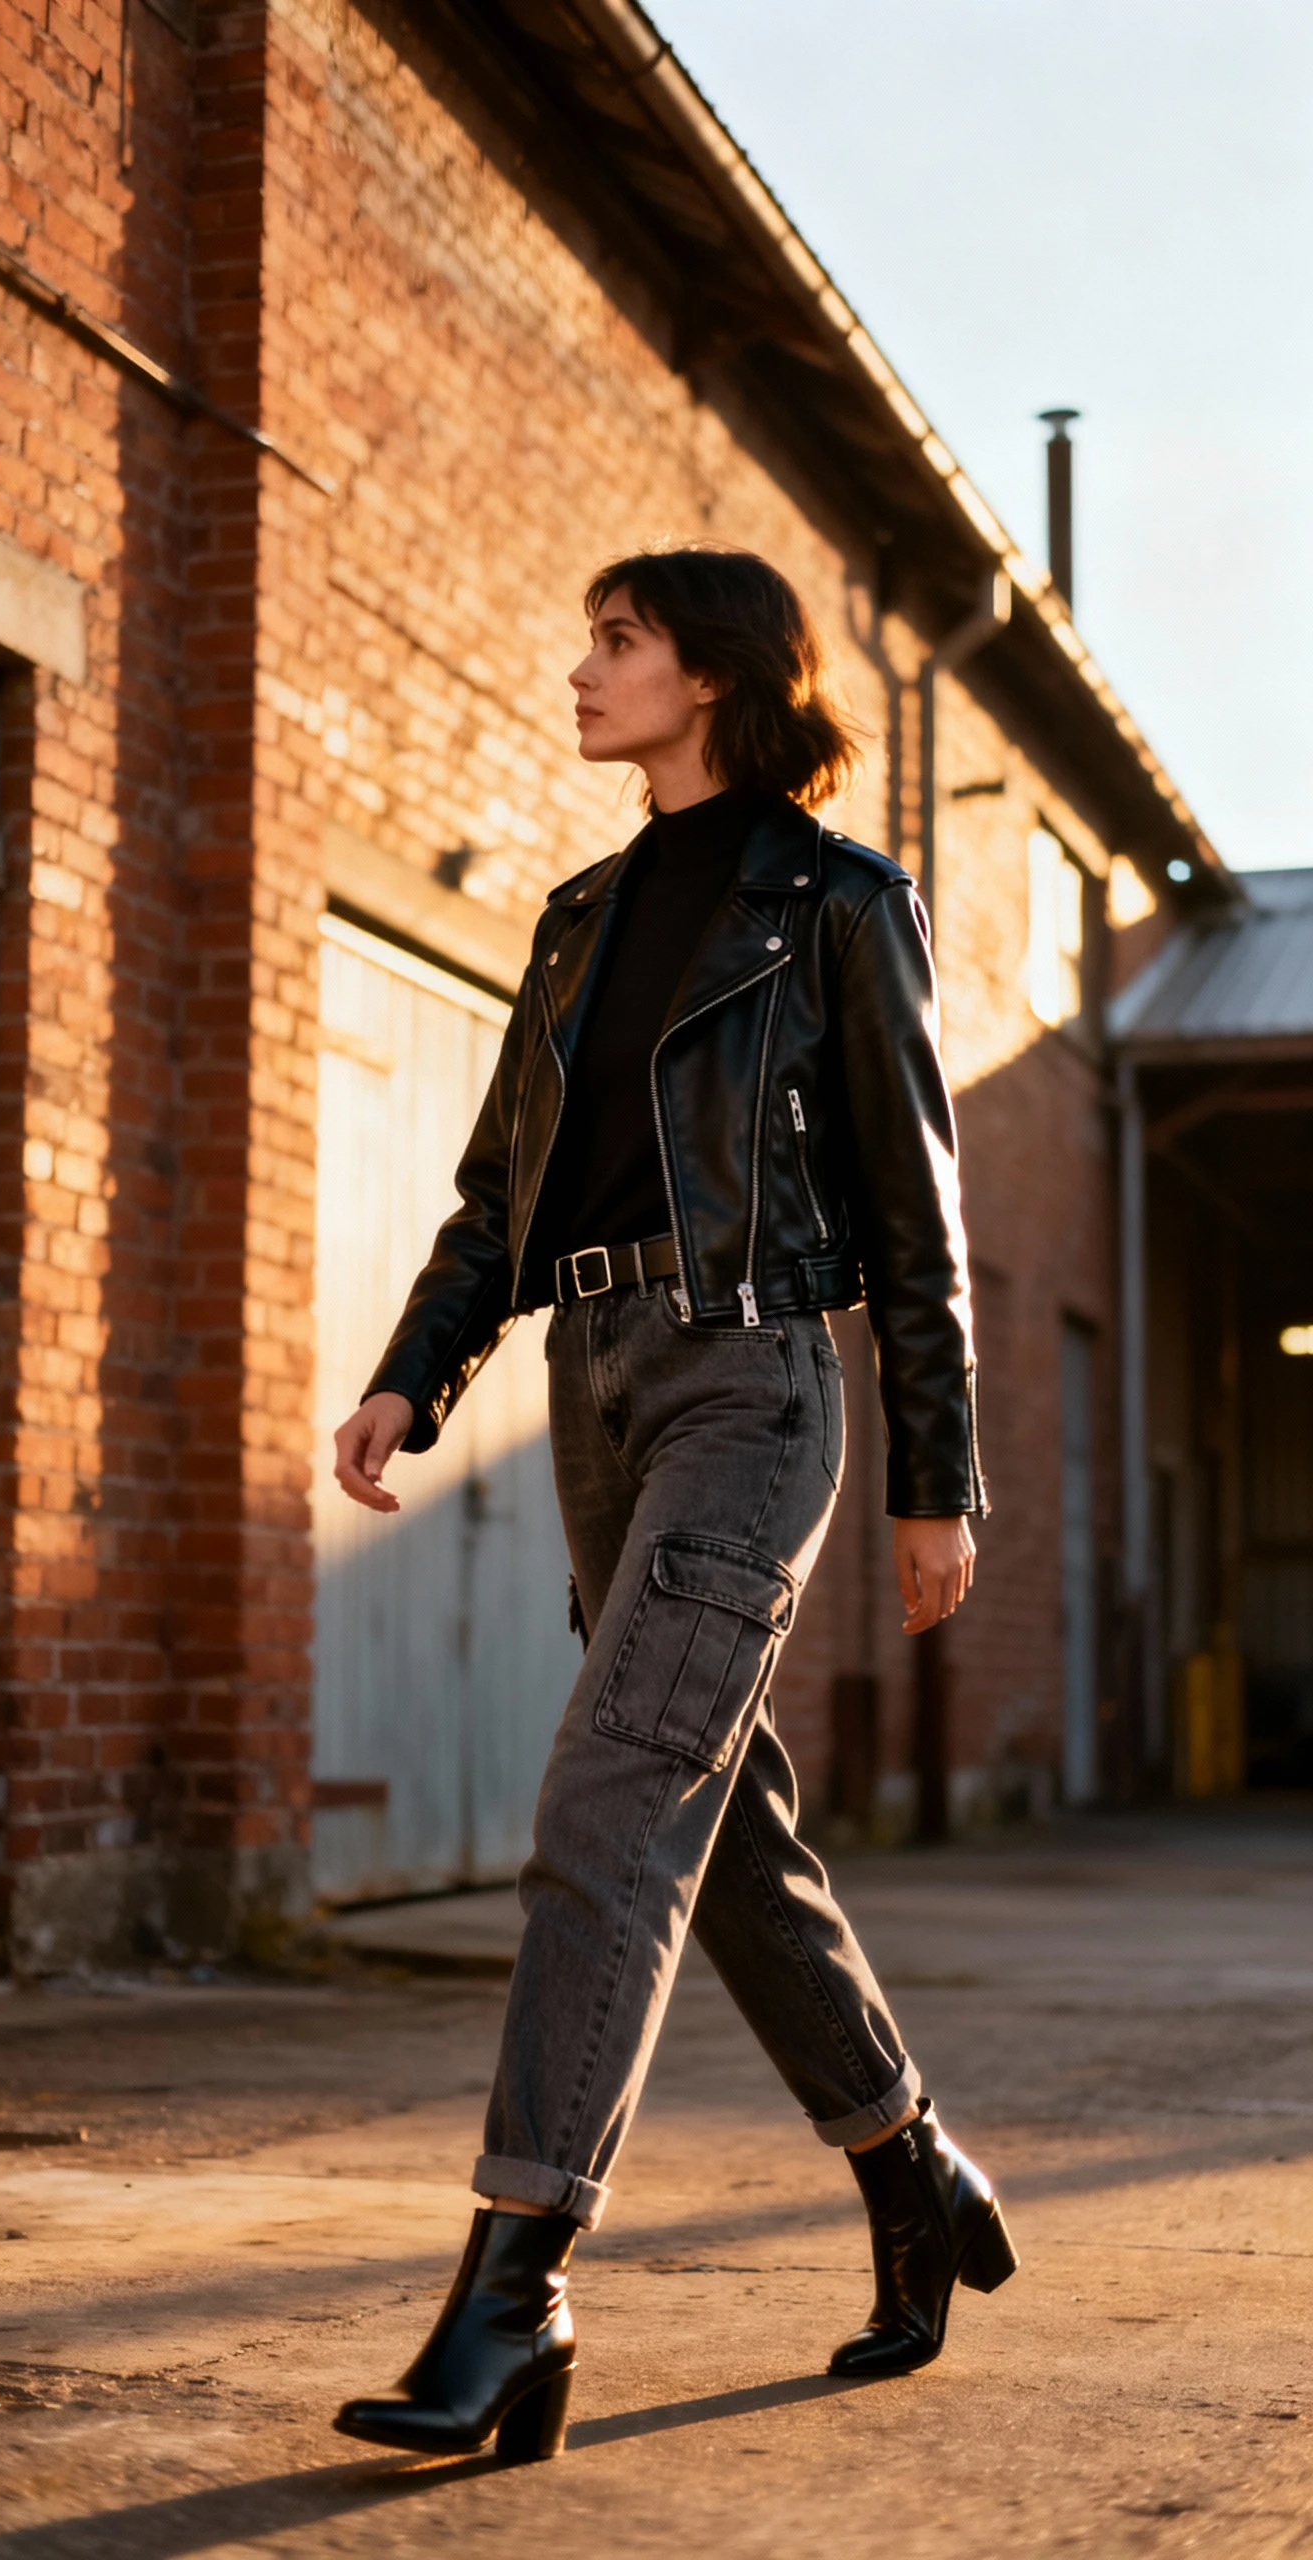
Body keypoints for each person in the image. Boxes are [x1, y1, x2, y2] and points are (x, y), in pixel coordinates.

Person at [329, 546, 1017, 2466]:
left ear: (712, 674)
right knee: (713, 1832)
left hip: (755, 1384)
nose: (580, 670)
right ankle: (912, 2173)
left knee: (609, 1802)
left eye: (616, 643)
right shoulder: (575, 917)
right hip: (593, 1393)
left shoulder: (844, 904)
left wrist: (936, 1477)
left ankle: (515, 2285)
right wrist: (414, 1366)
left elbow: (918, 1217)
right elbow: (498, 1195)